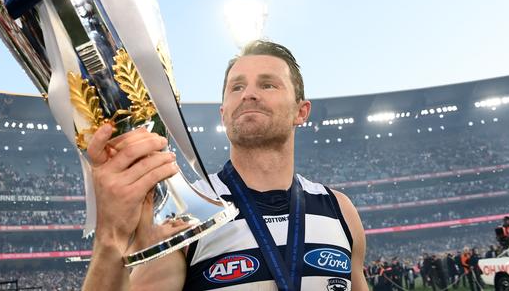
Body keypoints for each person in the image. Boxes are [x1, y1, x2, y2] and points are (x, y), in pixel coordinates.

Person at [81, 40, 368, 290]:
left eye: (267, 84)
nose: (248, 94)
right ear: (223, 114)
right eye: (237, 87)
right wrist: (110, 240)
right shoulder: (186, 214)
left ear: (301, 111)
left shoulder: (340, 210)